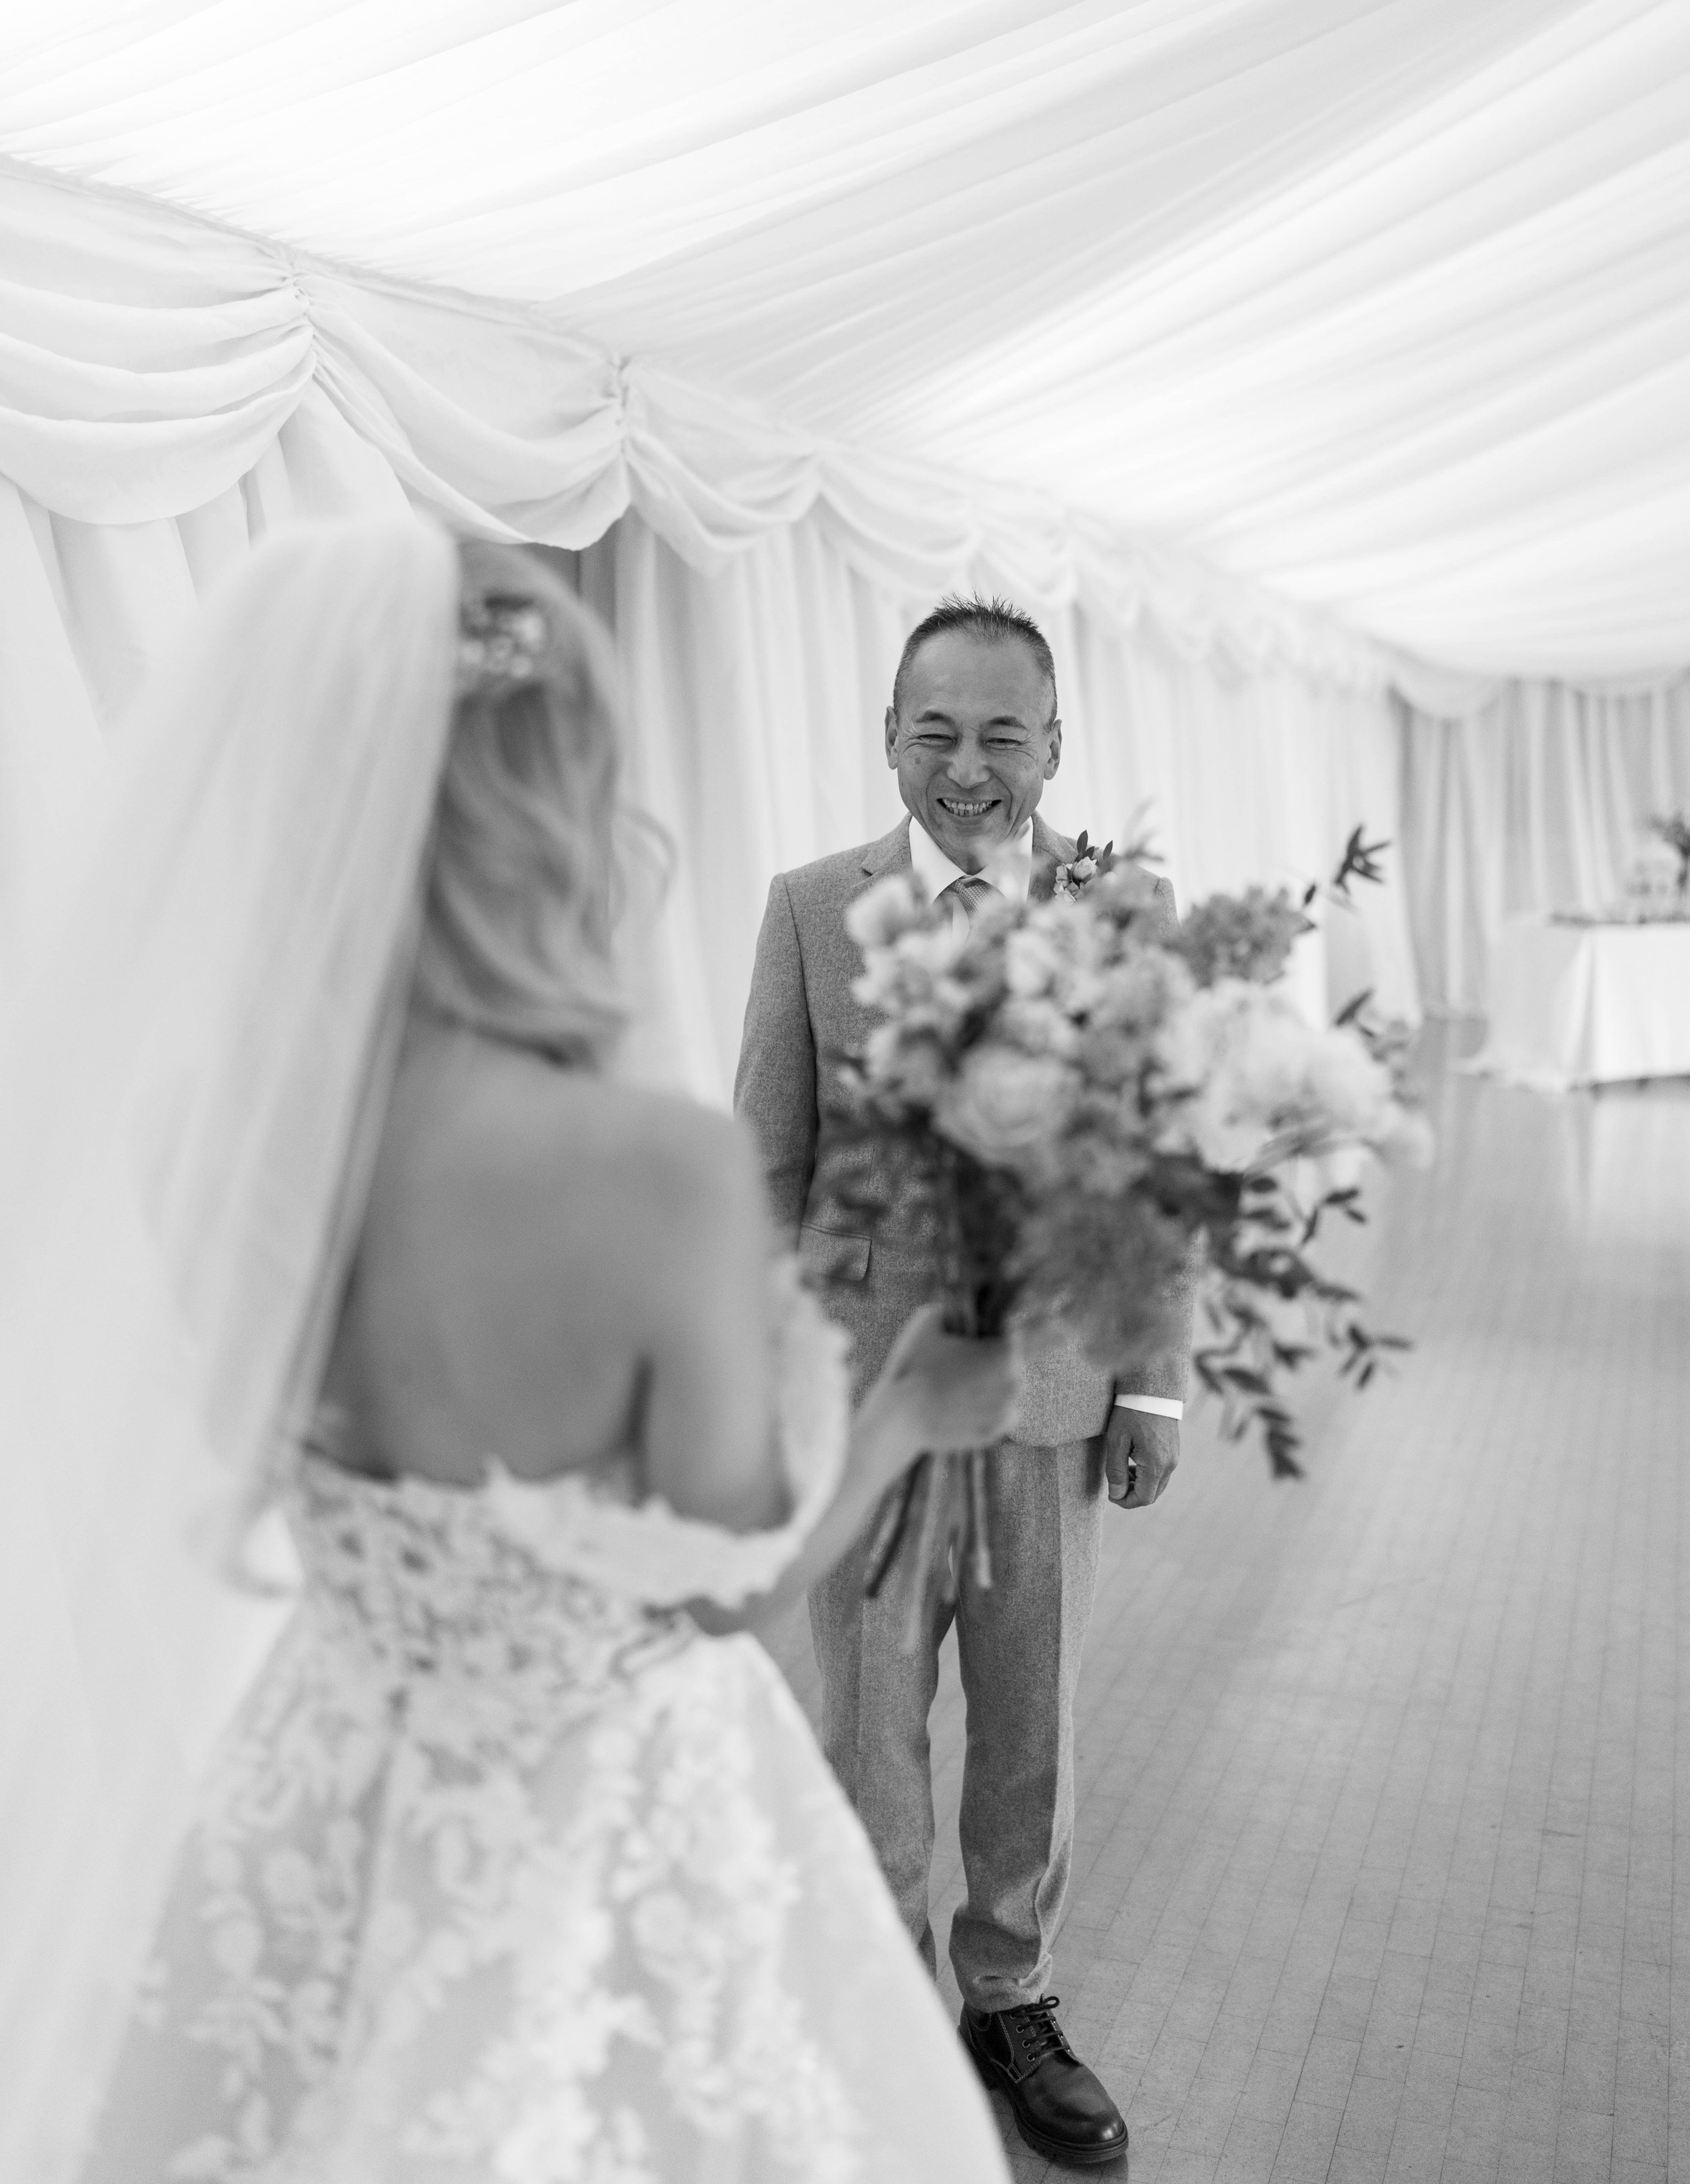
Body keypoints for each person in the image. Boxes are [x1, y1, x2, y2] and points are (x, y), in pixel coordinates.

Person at [0, 523, 1023, 2183]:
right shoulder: (646, 1169)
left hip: (320, 1778)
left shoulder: (199, 1132)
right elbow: (708, 1588)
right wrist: (907, 1411)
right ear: (550, 806)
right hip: (591, 1820)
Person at [735, 594, 1192, 2169]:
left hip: (1052, 1397)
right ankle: (877, 1998)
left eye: (1004, 732)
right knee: (869, 1723)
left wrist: (1153, 1384)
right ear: (888, 737)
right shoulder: (809, 908)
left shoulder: (1120, 908)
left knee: (1026, 1723)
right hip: (864, 1406)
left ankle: (1009, 1995)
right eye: (935, 729)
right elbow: (764, 1163)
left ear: (1054, 745)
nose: (969, 766)